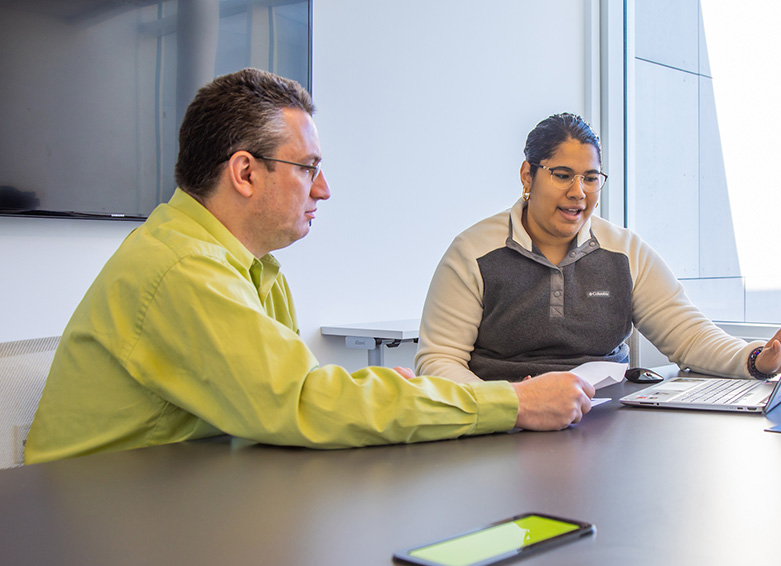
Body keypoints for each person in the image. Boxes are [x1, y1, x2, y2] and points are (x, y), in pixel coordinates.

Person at [25, 70, 593, 465]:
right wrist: (513, 402)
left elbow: (281, 398)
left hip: (180, 490)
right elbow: (301, 402)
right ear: (245, 173)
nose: (324, 189)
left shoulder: (253, 267)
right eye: (308, 168)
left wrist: (362, 394)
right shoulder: (182, 268)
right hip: (95, 523)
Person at [415, 112, 781, 383]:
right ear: (528, 175)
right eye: (562, 175)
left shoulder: (624, 251)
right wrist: (511, 404)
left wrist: (758, 358)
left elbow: (689, 337)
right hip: (505, 427)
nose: (579, 193)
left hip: (606, 422)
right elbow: (439, 362)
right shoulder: (473, 253)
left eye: (591, 178)